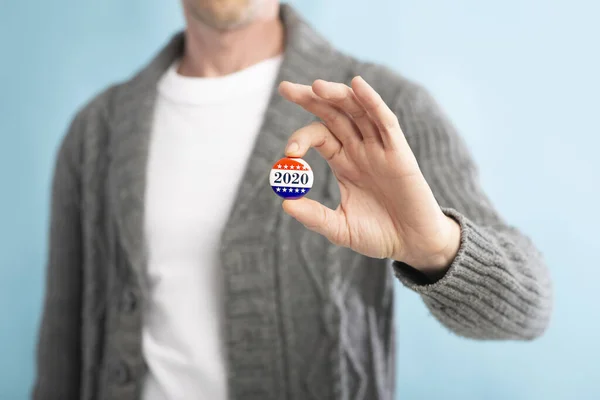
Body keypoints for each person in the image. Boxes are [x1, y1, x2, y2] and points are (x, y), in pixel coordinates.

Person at [33, 1, 553, 399]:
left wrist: (435, 247)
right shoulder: (96, 133)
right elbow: (60, 353)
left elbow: (528, 308)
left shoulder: (379, 113)